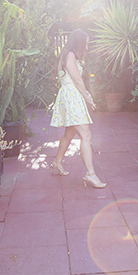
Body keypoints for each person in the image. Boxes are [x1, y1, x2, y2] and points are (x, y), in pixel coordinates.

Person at [49, 29, 106, 188]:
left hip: (71, 96)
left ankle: (57, 162)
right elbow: (78, 80)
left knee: (70, 133)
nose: (87, 47)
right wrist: (88, 97)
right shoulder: (70, 56)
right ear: (79, 42)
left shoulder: (69, 55)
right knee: (86, 135)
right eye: (86, 44)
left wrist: (86, 97)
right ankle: (90, 174)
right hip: (72, 97)